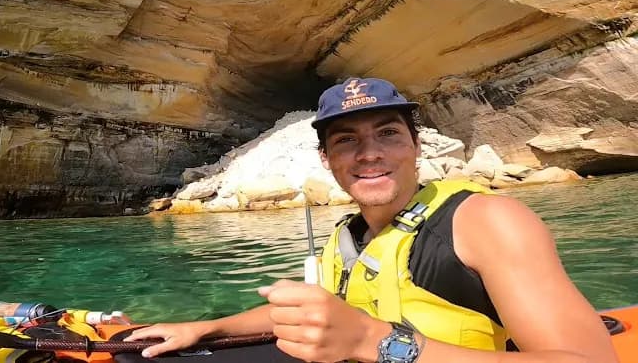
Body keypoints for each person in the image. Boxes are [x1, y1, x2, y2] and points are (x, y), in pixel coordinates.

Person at [125, 78, 619, 363]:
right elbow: (319, 314)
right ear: (326, 159)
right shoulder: (349, 235)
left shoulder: (488, 220)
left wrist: (373, 341)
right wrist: (205, 328)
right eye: (346, 141)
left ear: (416, 146)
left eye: (387, 133)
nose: (369, 155)